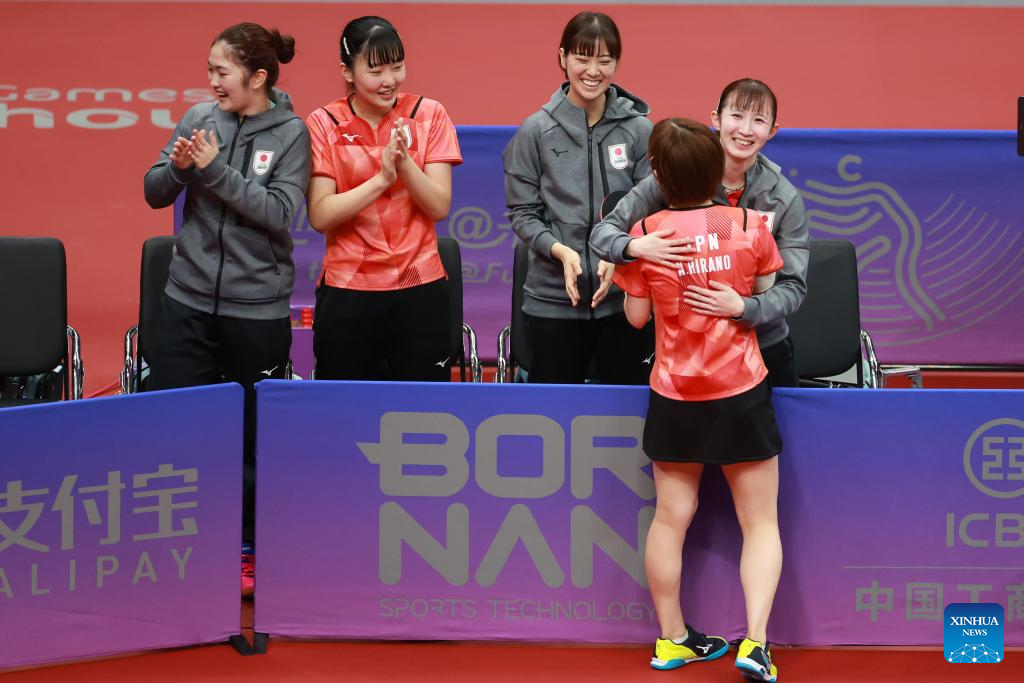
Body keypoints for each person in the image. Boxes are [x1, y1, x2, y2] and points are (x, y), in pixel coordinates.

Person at [143, 22, 311, 598]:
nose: (210, 81)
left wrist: (213, 170)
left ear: (257, 77)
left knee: (249, 438)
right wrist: (181, 167)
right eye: (209, 69)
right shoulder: (197, 118)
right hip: (186, 299)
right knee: (178, 429)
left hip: (255, 309)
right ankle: (178, 541)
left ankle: (245, 545)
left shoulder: (291, 134)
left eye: (222, 72)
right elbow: (154, 190)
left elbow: (279, 210)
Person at [613, 118, 784, 681]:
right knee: (759, 523)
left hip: (676, 392)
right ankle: (755, 644)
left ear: (657, 174)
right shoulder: (748, 223)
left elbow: (636, 316)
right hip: (739, 389)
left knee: (670, 519)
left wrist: (639, 270)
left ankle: (672, 640)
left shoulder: (647, 234)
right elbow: (763, 297)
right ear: (716, 170)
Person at [591, 78, 808, 388]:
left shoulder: (785, 199)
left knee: (769, 436)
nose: (745, 129)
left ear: (772, 130)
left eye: (758, 120)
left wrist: (744, 308)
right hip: (686, 349)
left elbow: (793, 287)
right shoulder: (679, 173)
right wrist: (634, 248)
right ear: (716, 119)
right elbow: (603, 233)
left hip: (760, 342)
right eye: (737, 116)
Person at [305, 16, 462, 381]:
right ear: (347, 71)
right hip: (348, 289)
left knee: (423, 411)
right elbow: (320, 214)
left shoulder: (429, 115)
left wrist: (405, 165)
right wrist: (380, 180)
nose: (389, 80)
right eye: (375, 70)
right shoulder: (324, 122)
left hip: (419, 287)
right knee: (343, 411)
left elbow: (439, 205)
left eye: (397, 66)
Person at [503, 11, 654, 385]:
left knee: (627, 418)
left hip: (624, 301)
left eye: (604, 60)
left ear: (616, 63)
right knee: (551, 419)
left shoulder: (639, 130)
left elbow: (651, 208)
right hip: (552, 303)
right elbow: (523, 212)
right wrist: (561, 251)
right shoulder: (535, 131)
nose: (593, 70)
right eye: (582, 58)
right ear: (562, 58)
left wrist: (620, 254)